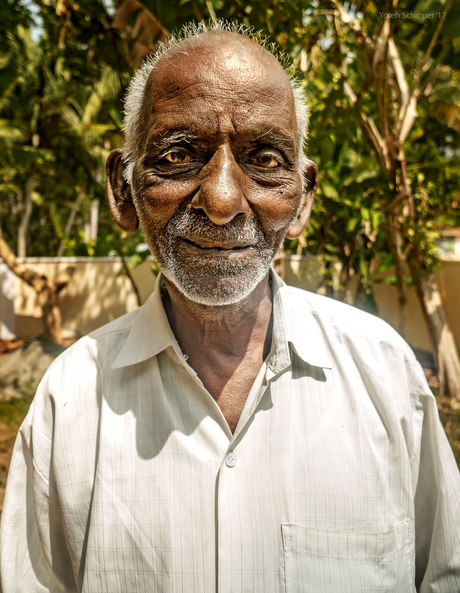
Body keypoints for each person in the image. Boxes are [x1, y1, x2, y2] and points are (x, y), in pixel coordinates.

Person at [1, 20, 460, 593]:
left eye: (264, 156)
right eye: (178, 154)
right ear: (122, 189)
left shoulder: (385, 374)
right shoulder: (68, 402)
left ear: (303, 197)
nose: (220, 200)